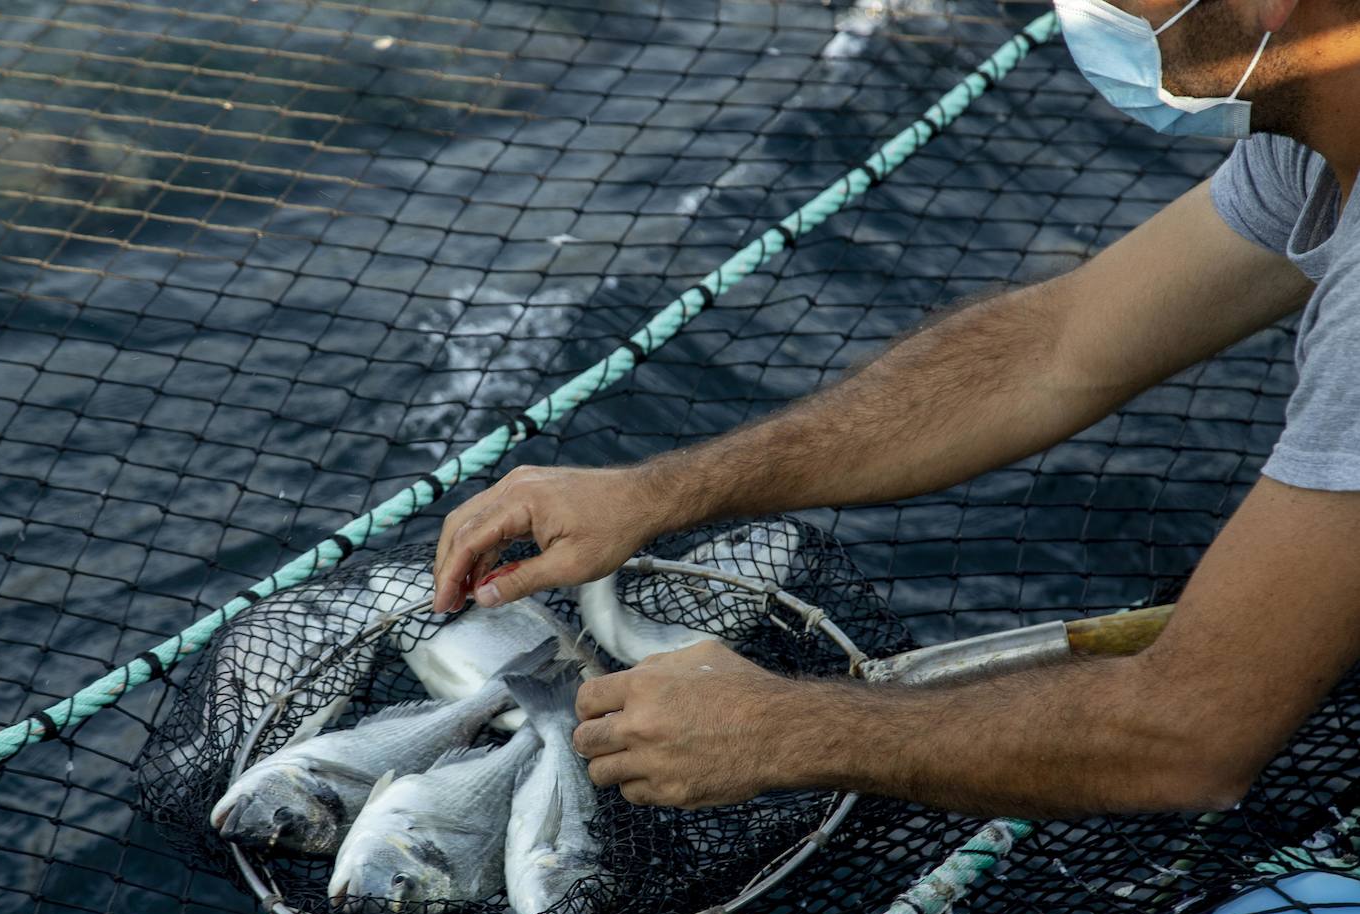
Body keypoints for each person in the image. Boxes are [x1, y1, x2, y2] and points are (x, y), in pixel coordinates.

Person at [431, 0, 1360, 819]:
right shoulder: (1313, 135)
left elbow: (1187, 737)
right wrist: (654, 493)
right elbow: (1056, 349)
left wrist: (786, 729)